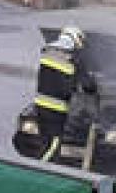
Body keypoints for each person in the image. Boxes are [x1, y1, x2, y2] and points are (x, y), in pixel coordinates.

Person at [32, 25, 94, 161]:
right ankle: (42, 171)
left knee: (44, 142)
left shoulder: (47, 52)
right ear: (75, 38)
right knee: (53, 146)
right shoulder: (73, 59)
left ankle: (41, 168)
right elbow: (88, 86)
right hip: (56, 110)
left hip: (39, 105)